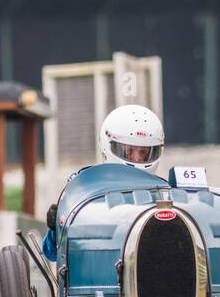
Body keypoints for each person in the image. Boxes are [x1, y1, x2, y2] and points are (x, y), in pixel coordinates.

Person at [42, 104, 164, 262]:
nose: (137, 159)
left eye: (143, 152)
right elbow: (51, 253)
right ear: (110, 145)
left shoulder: (165, 194)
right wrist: (56, 228)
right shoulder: (84, 188)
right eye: (129, 150)